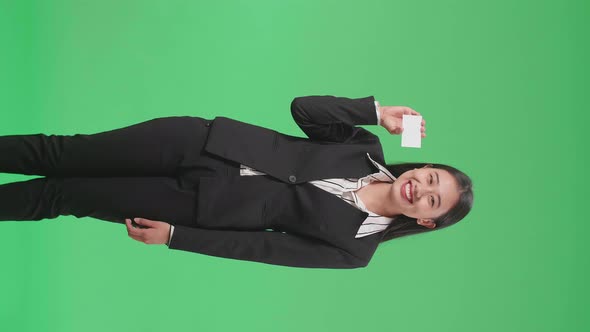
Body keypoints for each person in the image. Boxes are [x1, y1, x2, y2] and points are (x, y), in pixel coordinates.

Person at [0, 95, 473, 269]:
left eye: (433, 200)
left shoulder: (355, 251)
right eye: (430, 177)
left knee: (60, 195)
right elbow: (304, 109)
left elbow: (262, 249)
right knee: (60, 151)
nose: (421, 187)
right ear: (421, 166)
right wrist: (373, 112)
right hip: (200, 143)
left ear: (427, 221)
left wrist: (176, 237)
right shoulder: (363, 146)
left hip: (194, 205)